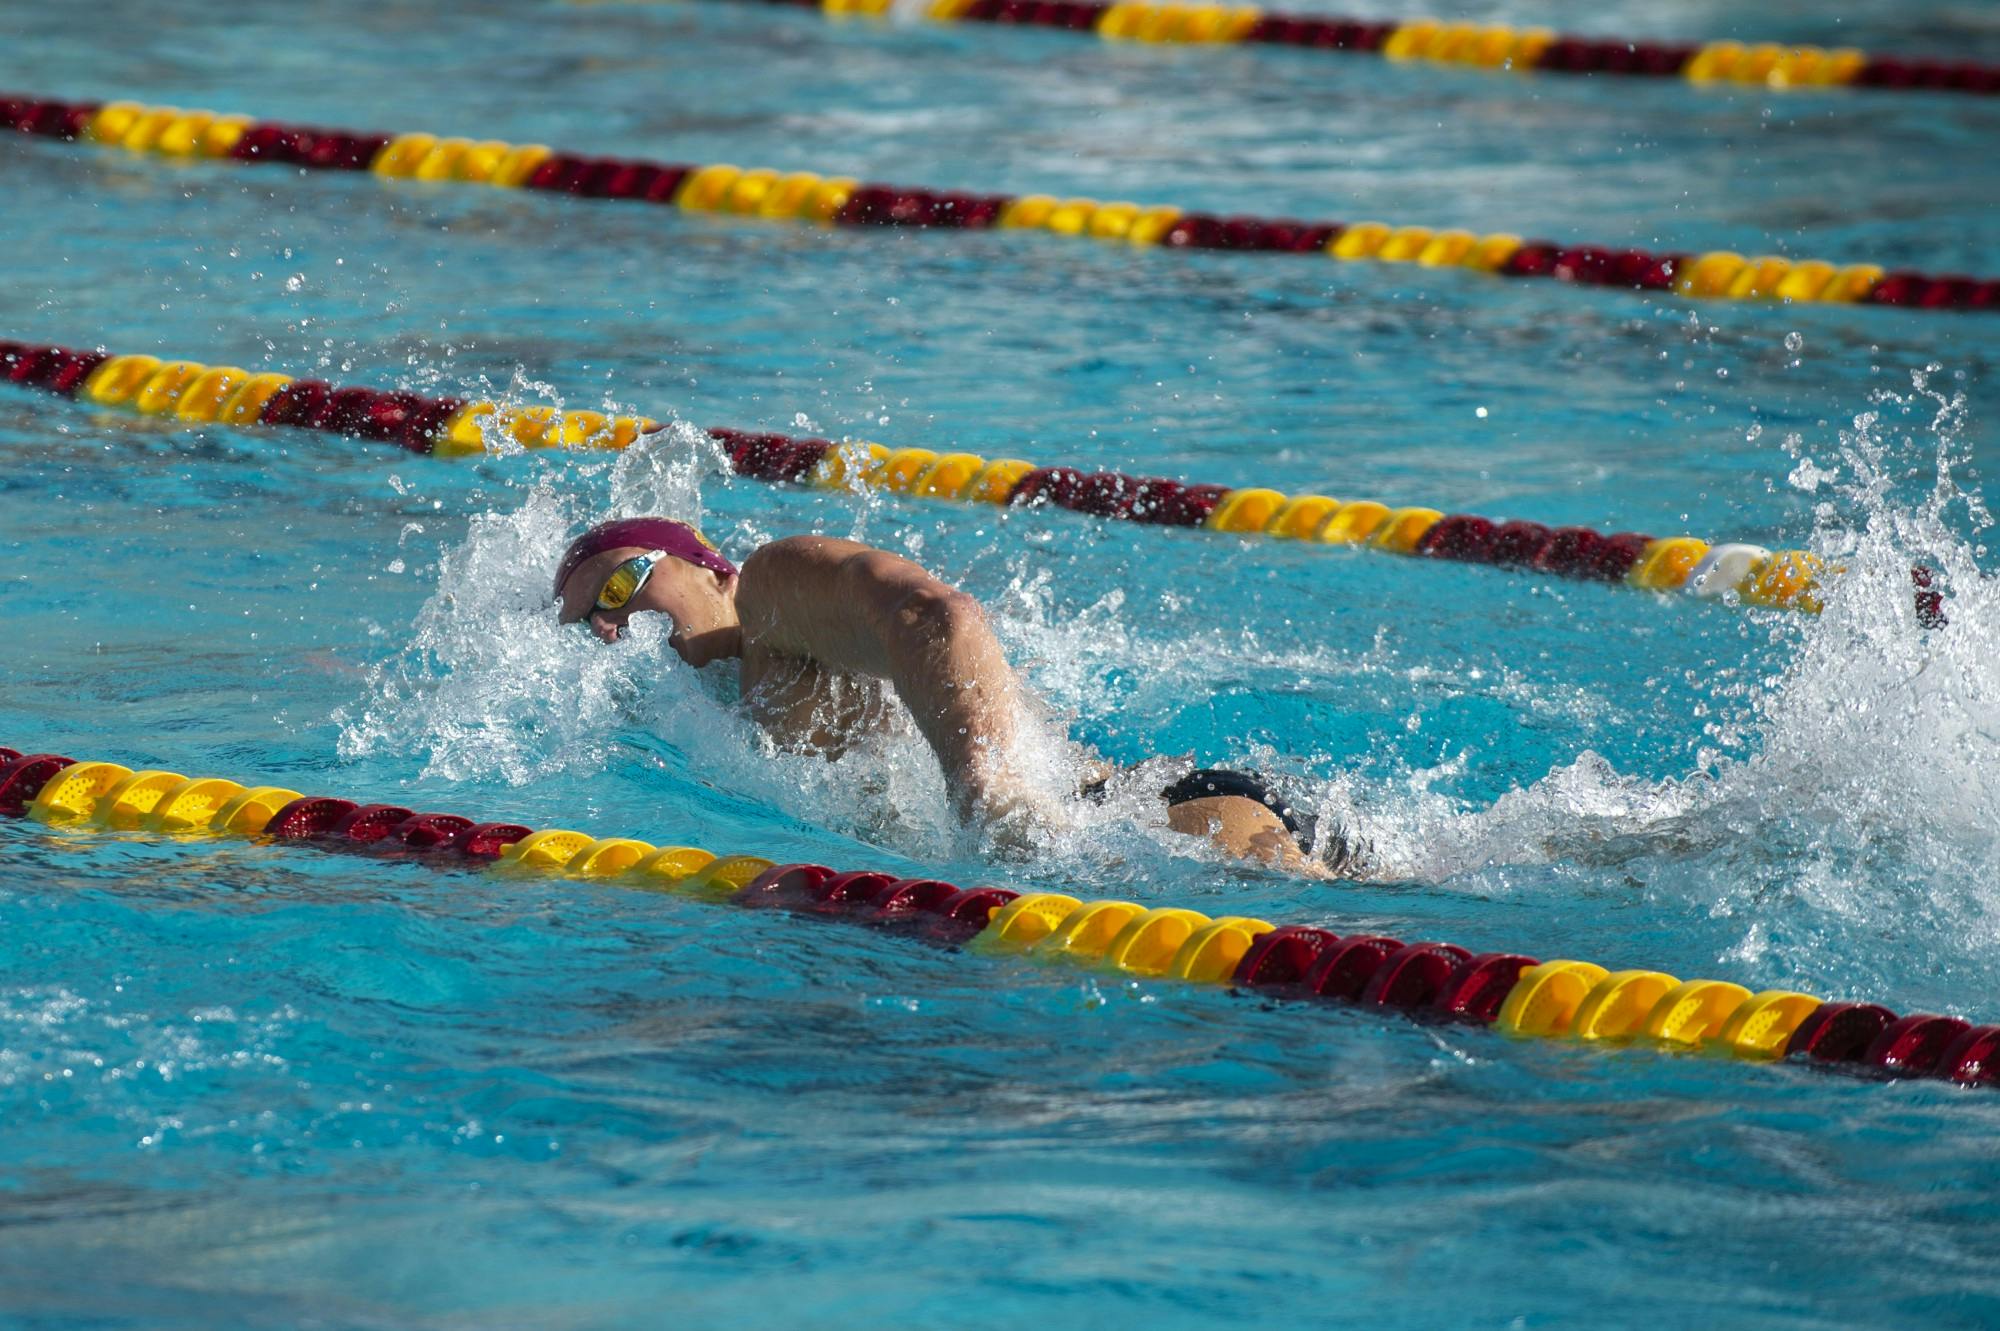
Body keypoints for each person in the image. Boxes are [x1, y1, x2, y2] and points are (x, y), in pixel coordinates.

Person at [552, 515, 1358, 877]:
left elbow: (934, 615)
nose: (613, 627)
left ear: (711, 568)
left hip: (1175, 816)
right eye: (590, 624)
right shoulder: (710, 736)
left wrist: (992, 801)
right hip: (1170, 832)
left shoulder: (770, 590)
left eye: (624, 584)